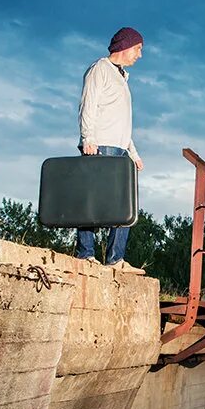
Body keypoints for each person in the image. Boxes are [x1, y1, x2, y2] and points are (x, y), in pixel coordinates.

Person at [75, 26, 145, 274]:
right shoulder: (100, 69)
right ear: (125, 46)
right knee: (92, 200)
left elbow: (123, 123)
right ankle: (85, 255)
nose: (139, 55)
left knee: (123, 204)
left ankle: (115, 260)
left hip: (120, 150)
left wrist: (133, 153)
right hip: (99, 145)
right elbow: (88, 105)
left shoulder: (122, 77)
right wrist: (87, 138)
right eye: (138, 49)